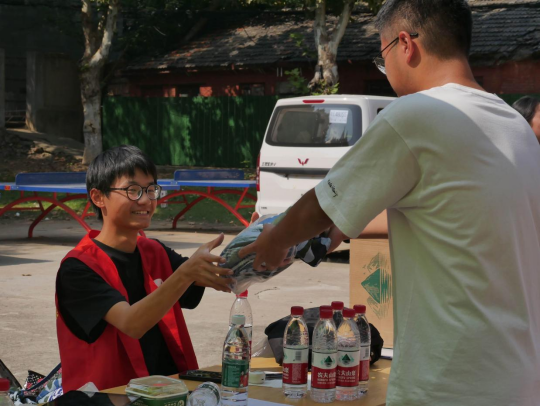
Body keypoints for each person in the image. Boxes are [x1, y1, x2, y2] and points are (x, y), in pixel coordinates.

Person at [240, 1, 541, 405]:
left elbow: (319, 205)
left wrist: (273, 243)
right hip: (519, 379)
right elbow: (448, 215)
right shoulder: (513, 124)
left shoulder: (418, 113)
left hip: (450, 384)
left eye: (382, 58)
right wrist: (338, 231)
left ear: (405, 44)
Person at [56, 145, 233, 392]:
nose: (145, 200)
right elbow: (132, 324)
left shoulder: (154, 252)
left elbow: (224, 274)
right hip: (110, 398)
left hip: (168, 393)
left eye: (151, 189)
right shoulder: (78, 268)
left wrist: (257, 247)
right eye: (132, 190)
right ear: (98, 197)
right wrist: (185, 273)